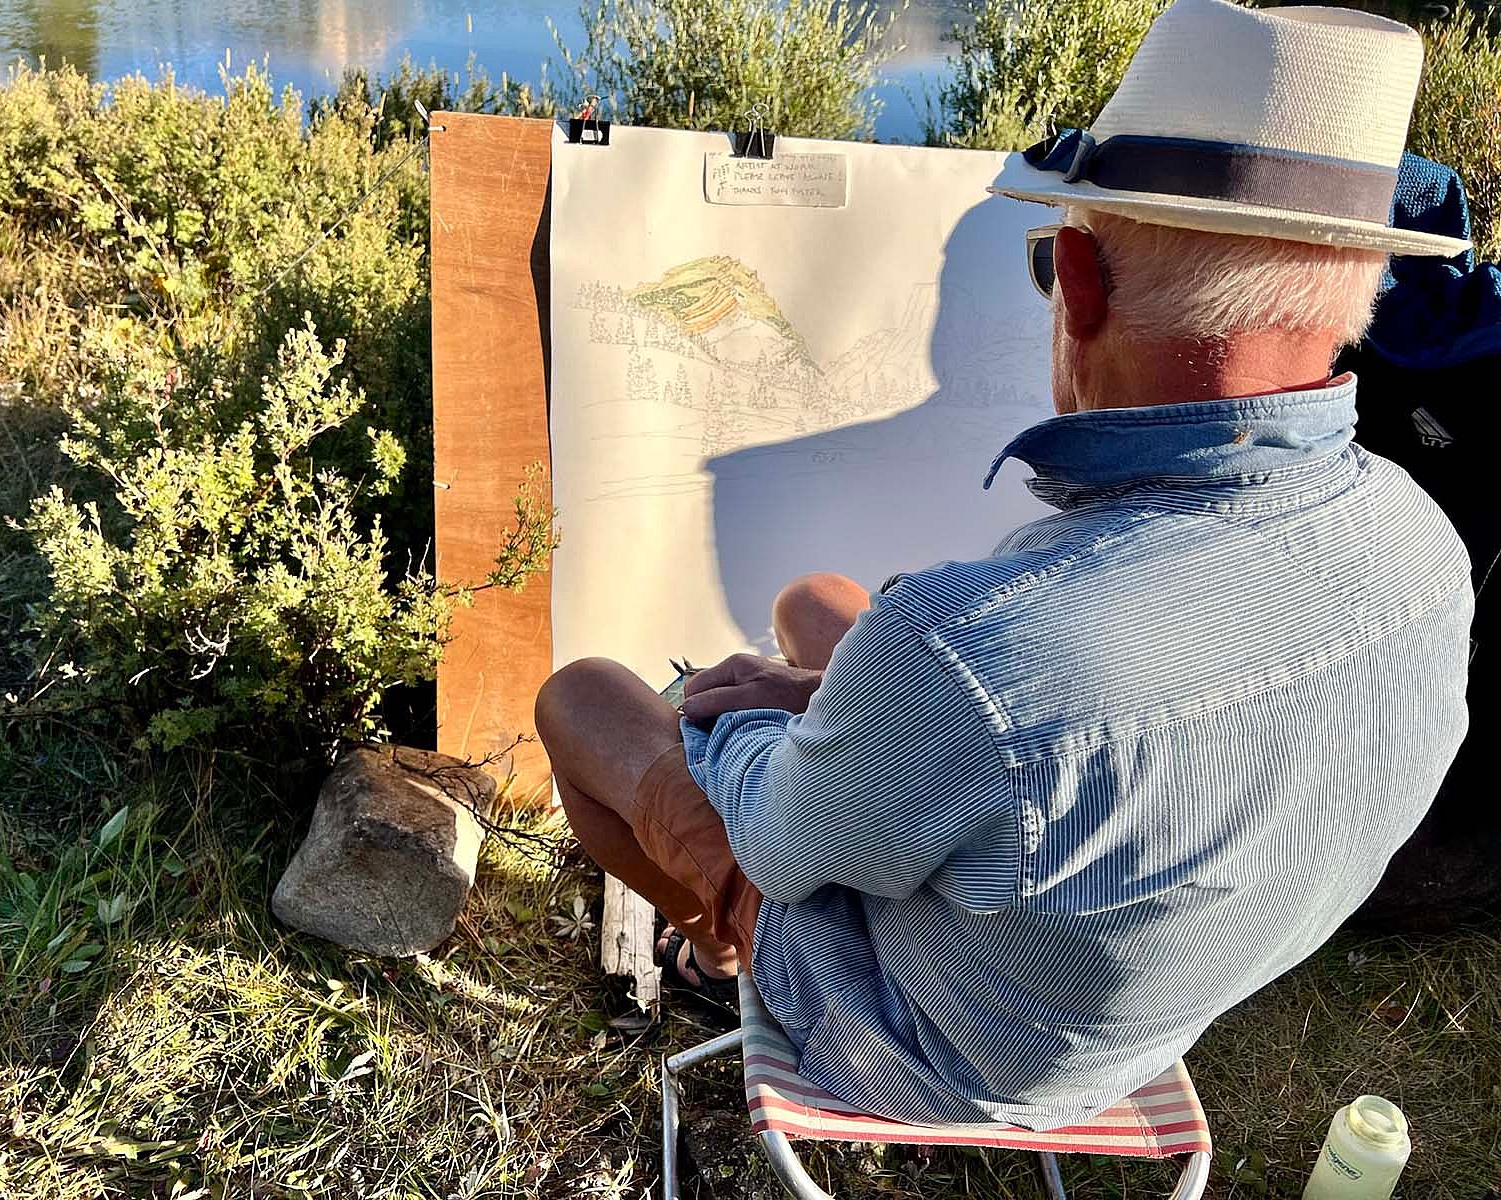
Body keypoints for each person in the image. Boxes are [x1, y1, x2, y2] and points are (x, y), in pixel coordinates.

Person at [534, 0, 1474, 1129]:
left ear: (1077, 279)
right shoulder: (1428, 546)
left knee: (583, 700)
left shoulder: (973, 648)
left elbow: (787, 838)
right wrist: (839, 698)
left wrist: (726, 719)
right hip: (1148, 988)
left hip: (947, 1052)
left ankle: (719, 957)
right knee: (817, 606)